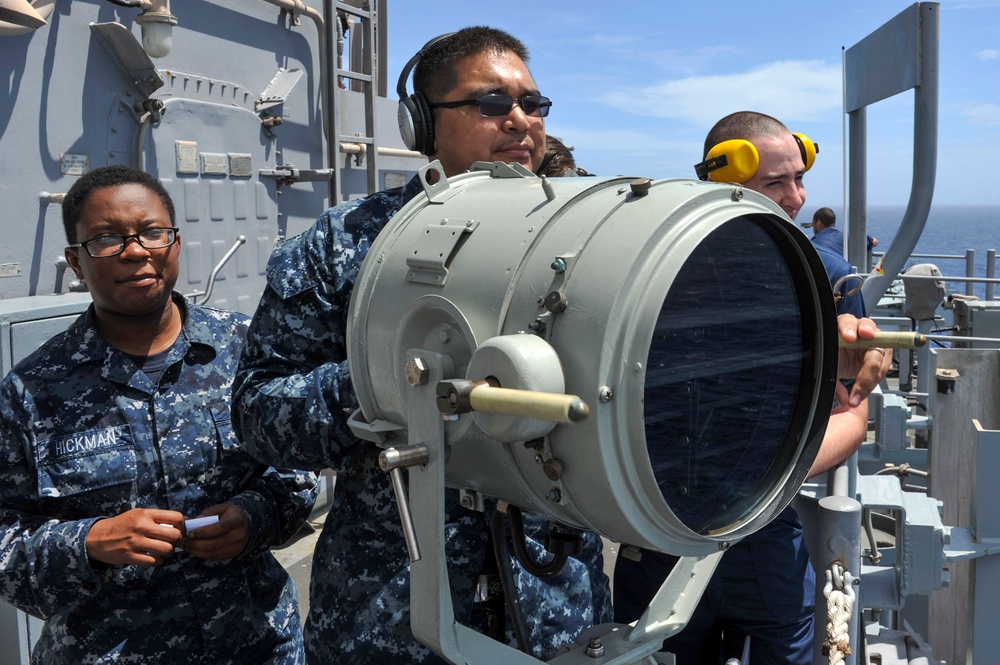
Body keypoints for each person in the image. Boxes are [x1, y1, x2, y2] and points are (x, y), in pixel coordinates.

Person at [232, 27, 611, 664]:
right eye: (491, 104)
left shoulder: (594, 240)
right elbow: (260, 414)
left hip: (554, 609)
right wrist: (393, 384)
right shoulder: (345, 244)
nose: (520, 121)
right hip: (391, 617)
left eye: (533, 104)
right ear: (421, 125)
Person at [0, 165, 318, 664]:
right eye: (105, 239)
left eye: (153, 232)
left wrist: (255, 515)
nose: (135, 251)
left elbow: (297, 467)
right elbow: (4, 539)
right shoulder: (31, 391)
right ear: (76, 263)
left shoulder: (246, 350)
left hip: (257, 646)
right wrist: (88, 543)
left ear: (175, 242)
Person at [613, 111, 892, 665]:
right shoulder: (648, 274)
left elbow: (852, 414)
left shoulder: (830, 280)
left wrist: (759, 474)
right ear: (722, 181)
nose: (796, 198)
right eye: (775, 183)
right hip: (658, 529)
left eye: (798, 178)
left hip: (763, 531)